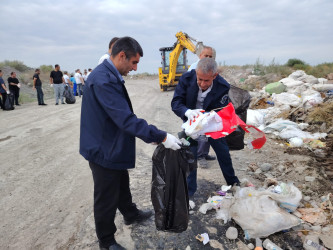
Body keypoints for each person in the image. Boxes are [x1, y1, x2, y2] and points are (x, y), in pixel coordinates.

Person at [80, 36, 181, 250]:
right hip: (103, 148)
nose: (134, 68)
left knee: (121, 182)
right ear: (121, 56)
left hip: (111, 144)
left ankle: (130, 214)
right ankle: (106, 242)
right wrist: (161, 136)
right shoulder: (103, 79)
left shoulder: (108, 74)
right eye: (133, 63)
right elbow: (125, 119)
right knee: (106, 196)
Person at [171, 57, 240, 197]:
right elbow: (176, 102)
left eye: (206, 81)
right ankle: (189, 192)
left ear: (214, 76)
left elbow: (222, 109)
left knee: (223, 152)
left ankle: (233, 183)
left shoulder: (223, 86)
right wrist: (187, 112)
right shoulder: (186, 79)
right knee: (190, 156)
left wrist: (209, 117)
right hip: (191, 124)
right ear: (196, 72)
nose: (202, 84)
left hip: (211, 124)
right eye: (199, 79)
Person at [188, 46, 216, 168]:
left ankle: (204, 153)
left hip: (208, 105)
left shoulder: (213, 69)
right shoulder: (194, 68)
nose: (208, 58)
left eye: (211, 56)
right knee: (199, 132)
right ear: (200, 56)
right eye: (206, 56)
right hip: (197, 107)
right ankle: (199, 156)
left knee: (208, 131)